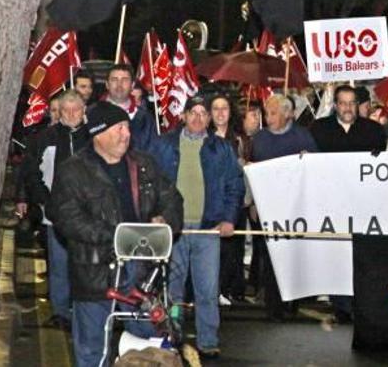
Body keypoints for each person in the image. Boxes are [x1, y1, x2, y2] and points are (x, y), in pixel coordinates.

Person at [49, 103, 183, 367]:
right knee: (92, 349)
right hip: (94, 272)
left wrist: (165, 221)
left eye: (127, 128)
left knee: (154, 339)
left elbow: (172, 198)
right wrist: (117, 236)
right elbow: (66, 217)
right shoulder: (73, 171)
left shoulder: (144, 165)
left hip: (141, 273)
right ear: (98, 133)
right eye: (119, 128)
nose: (126, 134)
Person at [145, 95, 243, 359]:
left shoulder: (221, 149)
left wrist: (229, 219)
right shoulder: (164, 145)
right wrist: (155, 214)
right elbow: (149, 182)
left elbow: (235, 185)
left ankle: (208, 339)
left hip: (207, 230)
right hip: (173, 231)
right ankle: (170, 336)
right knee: (173, 290)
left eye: (204, 113)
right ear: (184, 115)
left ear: (210, 119)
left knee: (207, 290)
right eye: (193, 112)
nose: (198, 118)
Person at [15, 90, 89, 331]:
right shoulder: (45, 138)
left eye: (75, 109)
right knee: (59, 265)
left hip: (86, 215)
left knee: (84, 266)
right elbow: (31, 172)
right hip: (54, 214)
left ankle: (82, 312)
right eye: (65, 110)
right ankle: (60, 312)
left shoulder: (93, 139)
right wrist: (44, 200)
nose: (70, 114)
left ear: (84, 110)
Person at [249, 94, 318, 322]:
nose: (268, 118)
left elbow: (316, 171)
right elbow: (252, 173)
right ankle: (274, 307)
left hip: (296, 208)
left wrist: (309, 161)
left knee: (294, 255)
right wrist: (252, 203)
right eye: (266, 113)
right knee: (271, 258)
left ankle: (293, 302)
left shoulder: (303, 137)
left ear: (288, 114)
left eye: (273, 113)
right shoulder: (258, 139)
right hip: (267, 207)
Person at [208, 94, 251, 305]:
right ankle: (212, 289)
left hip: (236, 201)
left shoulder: (239, 140)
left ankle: (229, 288)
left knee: (234, 248)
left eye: (224, 108)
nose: (220, 113)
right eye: (215, 108)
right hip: (212, 202)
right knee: (212, 250)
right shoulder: (203, 137)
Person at [102, 64, 156, 149]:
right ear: (107, 84)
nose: (119, 84)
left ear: (132, 85)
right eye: (114, 80)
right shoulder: (90, 114)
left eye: (125, 80)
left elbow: (152, 154)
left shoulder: (146, 119)